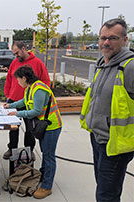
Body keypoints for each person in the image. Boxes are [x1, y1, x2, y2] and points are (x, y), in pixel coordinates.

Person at [79, 18, 134, 202]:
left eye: (113, 38)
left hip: (116, 145)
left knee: (106, 195)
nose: (106, 42)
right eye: (103, 38)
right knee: (103, 187)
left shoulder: (130, 67)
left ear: (125, 40)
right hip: (98, 138)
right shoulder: (102, 64)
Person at [2, 65, 62, 199]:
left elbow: (36, 111)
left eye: (18, 80)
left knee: (49, 156)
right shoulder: (31, 87)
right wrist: (9, 105)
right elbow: (24, 101)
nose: (17, 82)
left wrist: (17, 113)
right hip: (44, 125)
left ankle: (47, 187)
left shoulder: (39, 89)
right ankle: (43, 175)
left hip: (52, 126)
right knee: (45, 153)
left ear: (24, 78)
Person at [3, 41, 50, 159]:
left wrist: (40, 99)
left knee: (30, 130)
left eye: (17, 53)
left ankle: (29, 150)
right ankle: (12, 149)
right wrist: (8, 95)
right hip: (14, 100)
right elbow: (9, 79)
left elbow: (45, 81)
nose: (16, 56)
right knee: (13, 128)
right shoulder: (14, 63)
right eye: (14, 54)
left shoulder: (37, 63)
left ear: (23, 49)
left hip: (30, 103)